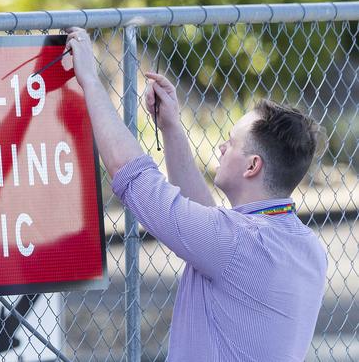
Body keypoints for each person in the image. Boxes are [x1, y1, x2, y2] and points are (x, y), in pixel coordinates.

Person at [64, 27, 327, 361]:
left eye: (231, 143)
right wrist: (171, 127)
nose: (220, 147)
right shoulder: (303, 245)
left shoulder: (235, 244)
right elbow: (208, 223)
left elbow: (130, 173)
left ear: (252, 166)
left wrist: (89, 79)